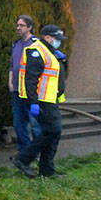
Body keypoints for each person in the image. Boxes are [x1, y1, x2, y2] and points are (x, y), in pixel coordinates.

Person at [13, 24, 68, 178]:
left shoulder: (50, 52)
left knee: (52, 133)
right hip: (42, 100)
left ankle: (47, 170)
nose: (59, 42)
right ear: (48, 37)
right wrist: (33, 102)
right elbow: (30, 80)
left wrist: (63, 61)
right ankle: (23, 159)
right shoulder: (36, 51)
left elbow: (57, 76)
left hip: (50, 99)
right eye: (57, 39)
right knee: (53, 131)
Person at [8, 14, 41, 158]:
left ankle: (38, 151)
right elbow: (12, 65)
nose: (18, 28)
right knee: (18, 123)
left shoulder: (36, 44)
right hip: (16, 89)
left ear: (30, 27)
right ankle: (24, 151)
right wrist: (10, 81)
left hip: (31, 90)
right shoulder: (16, 44)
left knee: (35, 124)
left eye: (21, 25)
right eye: (17, 25)